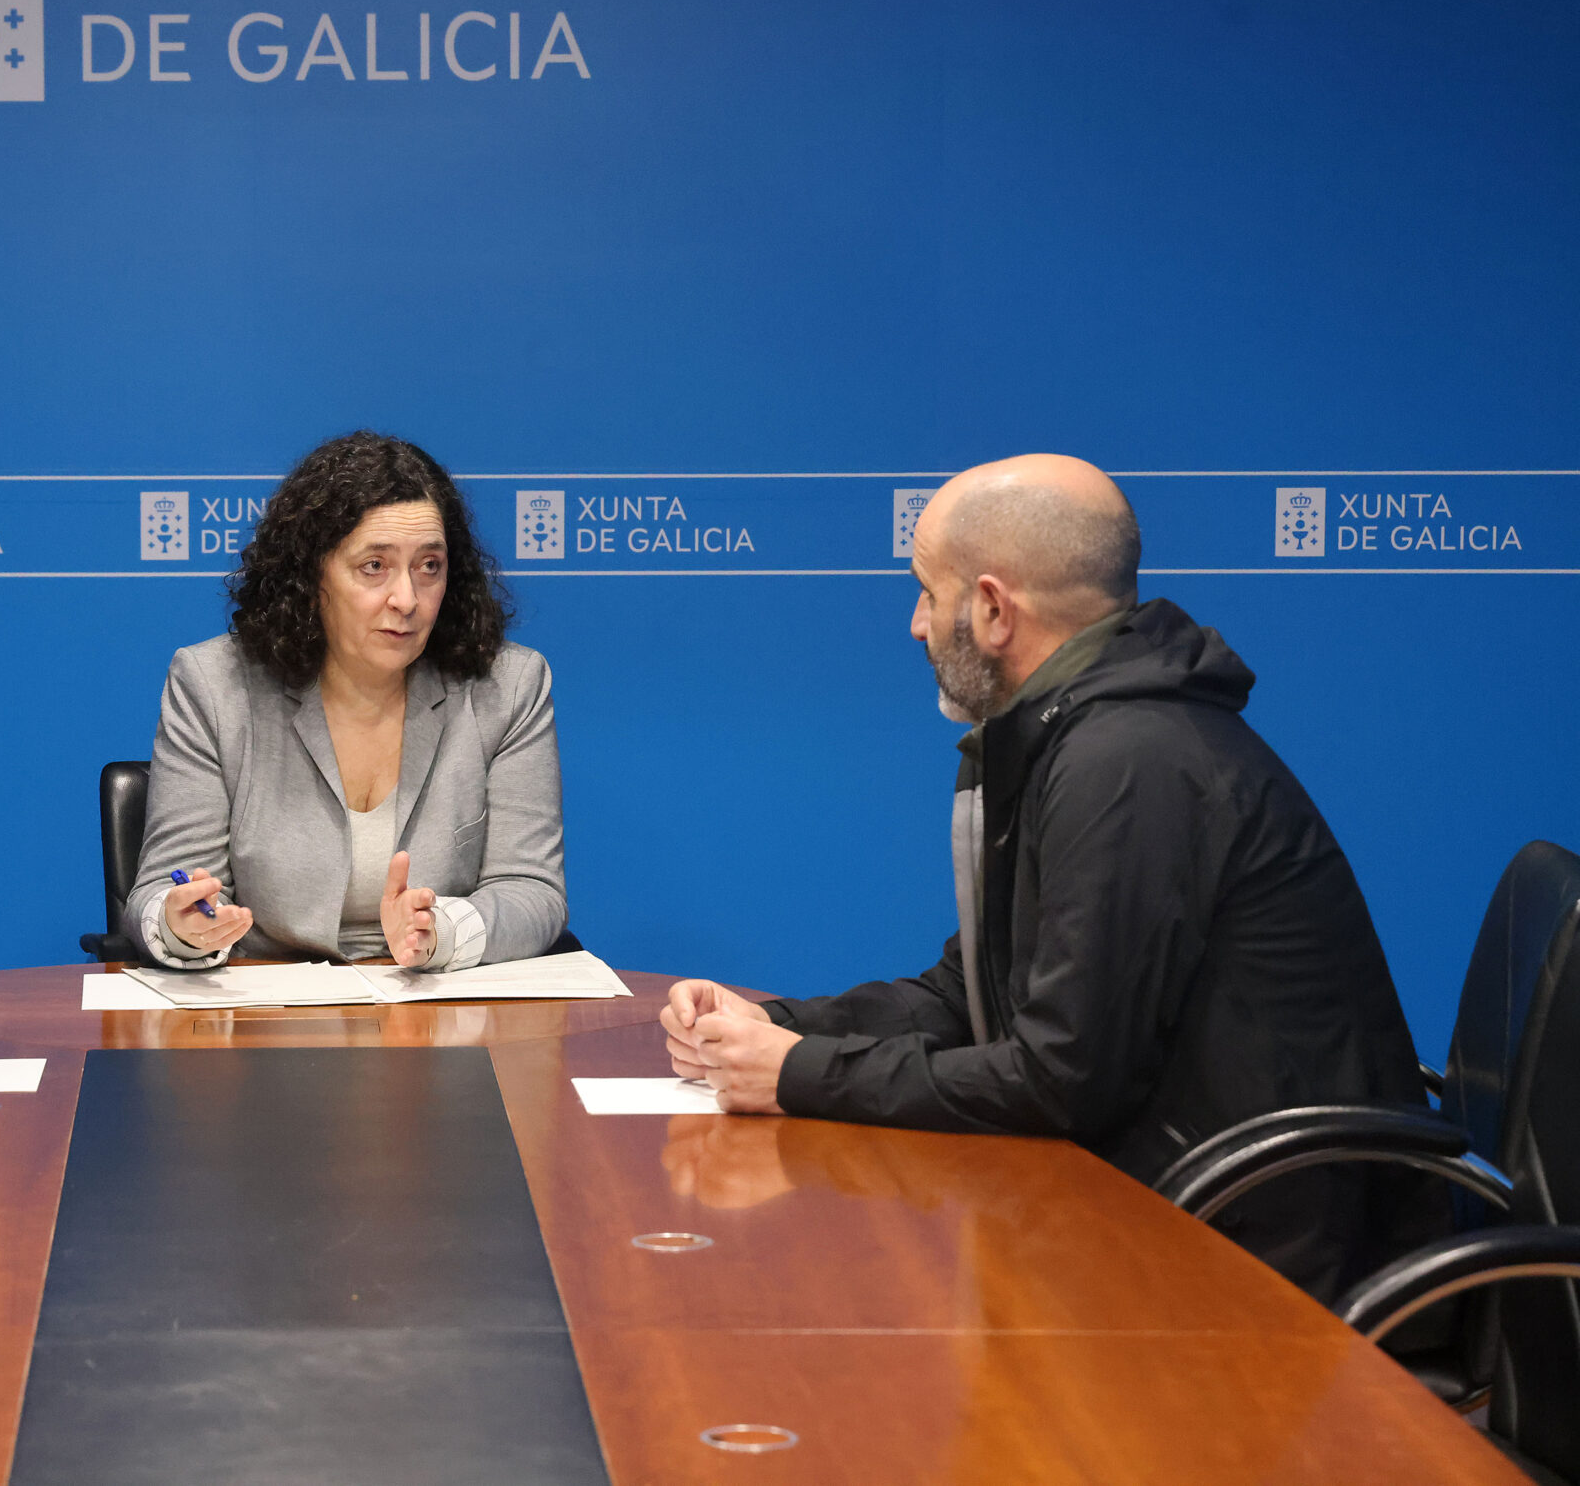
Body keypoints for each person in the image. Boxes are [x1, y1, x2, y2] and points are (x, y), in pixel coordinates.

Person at [661, 453, 1435, 1301]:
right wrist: (773, 1024)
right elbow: (972, 994)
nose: (916, 624)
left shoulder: (1127, 762)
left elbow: (1061, 1079)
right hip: (1166, 1205)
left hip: (1251, 1259)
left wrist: (798, 1071)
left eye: (927, 590)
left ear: (993, 608)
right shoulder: (1079, 732)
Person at [128, 431, 566, 972]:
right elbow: (164, 888)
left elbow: (532, 889)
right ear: (312, 577)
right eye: (374, 567)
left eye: (429, 566)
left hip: (436, 1014)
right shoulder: (215, 685)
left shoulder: (509, 685)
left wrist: (440, 933)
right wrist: (184, 926)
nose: (406, 599)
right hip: (265, 1015)